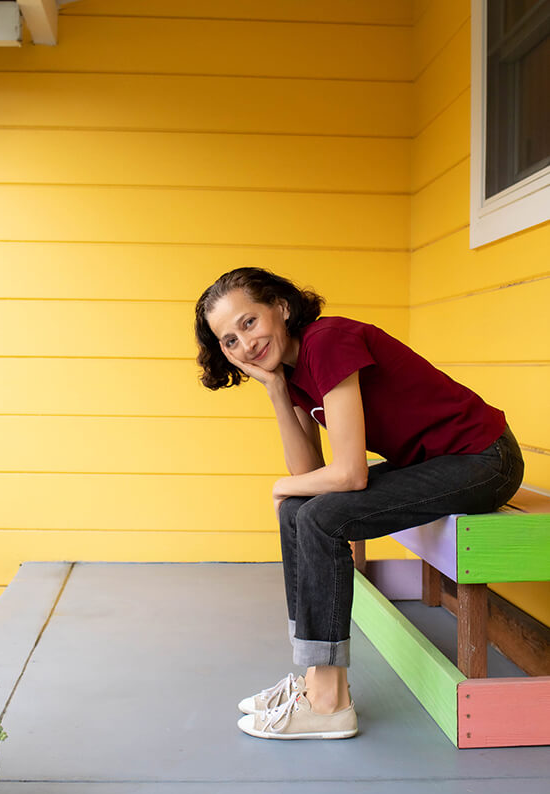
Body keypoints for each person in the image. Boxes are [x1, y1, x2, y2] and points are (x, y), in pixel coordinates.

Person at [194, 267, 524, 741]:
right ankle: (313, 682)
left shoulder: (327, 342)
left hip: (484, 459)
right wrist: (276, 391)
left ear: (281, 308)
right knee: (297, 510)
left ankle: (330, 702)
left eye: (249, 322)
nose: (244, 345)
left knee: (322, 517)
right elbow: (306, 472)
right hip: (437, 464)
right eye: (229, 340)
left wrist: (279, 488)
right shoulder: (294, 373)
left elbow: (349, 474)